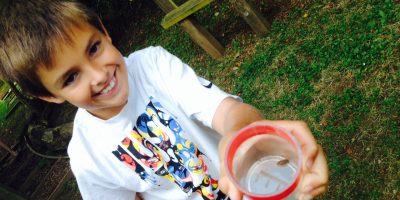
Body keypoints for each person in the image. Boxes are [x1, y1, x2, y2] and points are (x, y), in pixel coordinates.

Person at [0, 1, 328, 199]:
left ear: (103, 30)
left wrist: (239, 138)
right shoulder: (87, 157)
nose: (98, 75)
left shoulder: (153, 65)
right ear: (48, 95)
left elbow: (230, 113)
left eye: (94, 48)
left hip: (256, 185)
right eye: (71, 78)